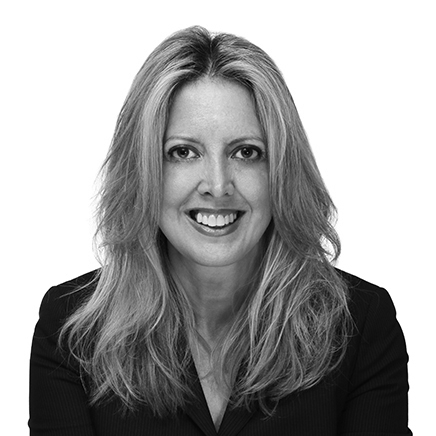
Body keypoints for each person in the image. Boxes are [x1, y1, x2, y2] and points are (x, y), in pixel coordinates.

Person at [29, 26, 412, 435]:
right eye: (183, 152)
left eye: (246, 152)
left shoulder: (361, 326)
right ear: (142, 170)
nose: (217, 184)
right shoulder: (70, 331)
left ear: (282, 171)